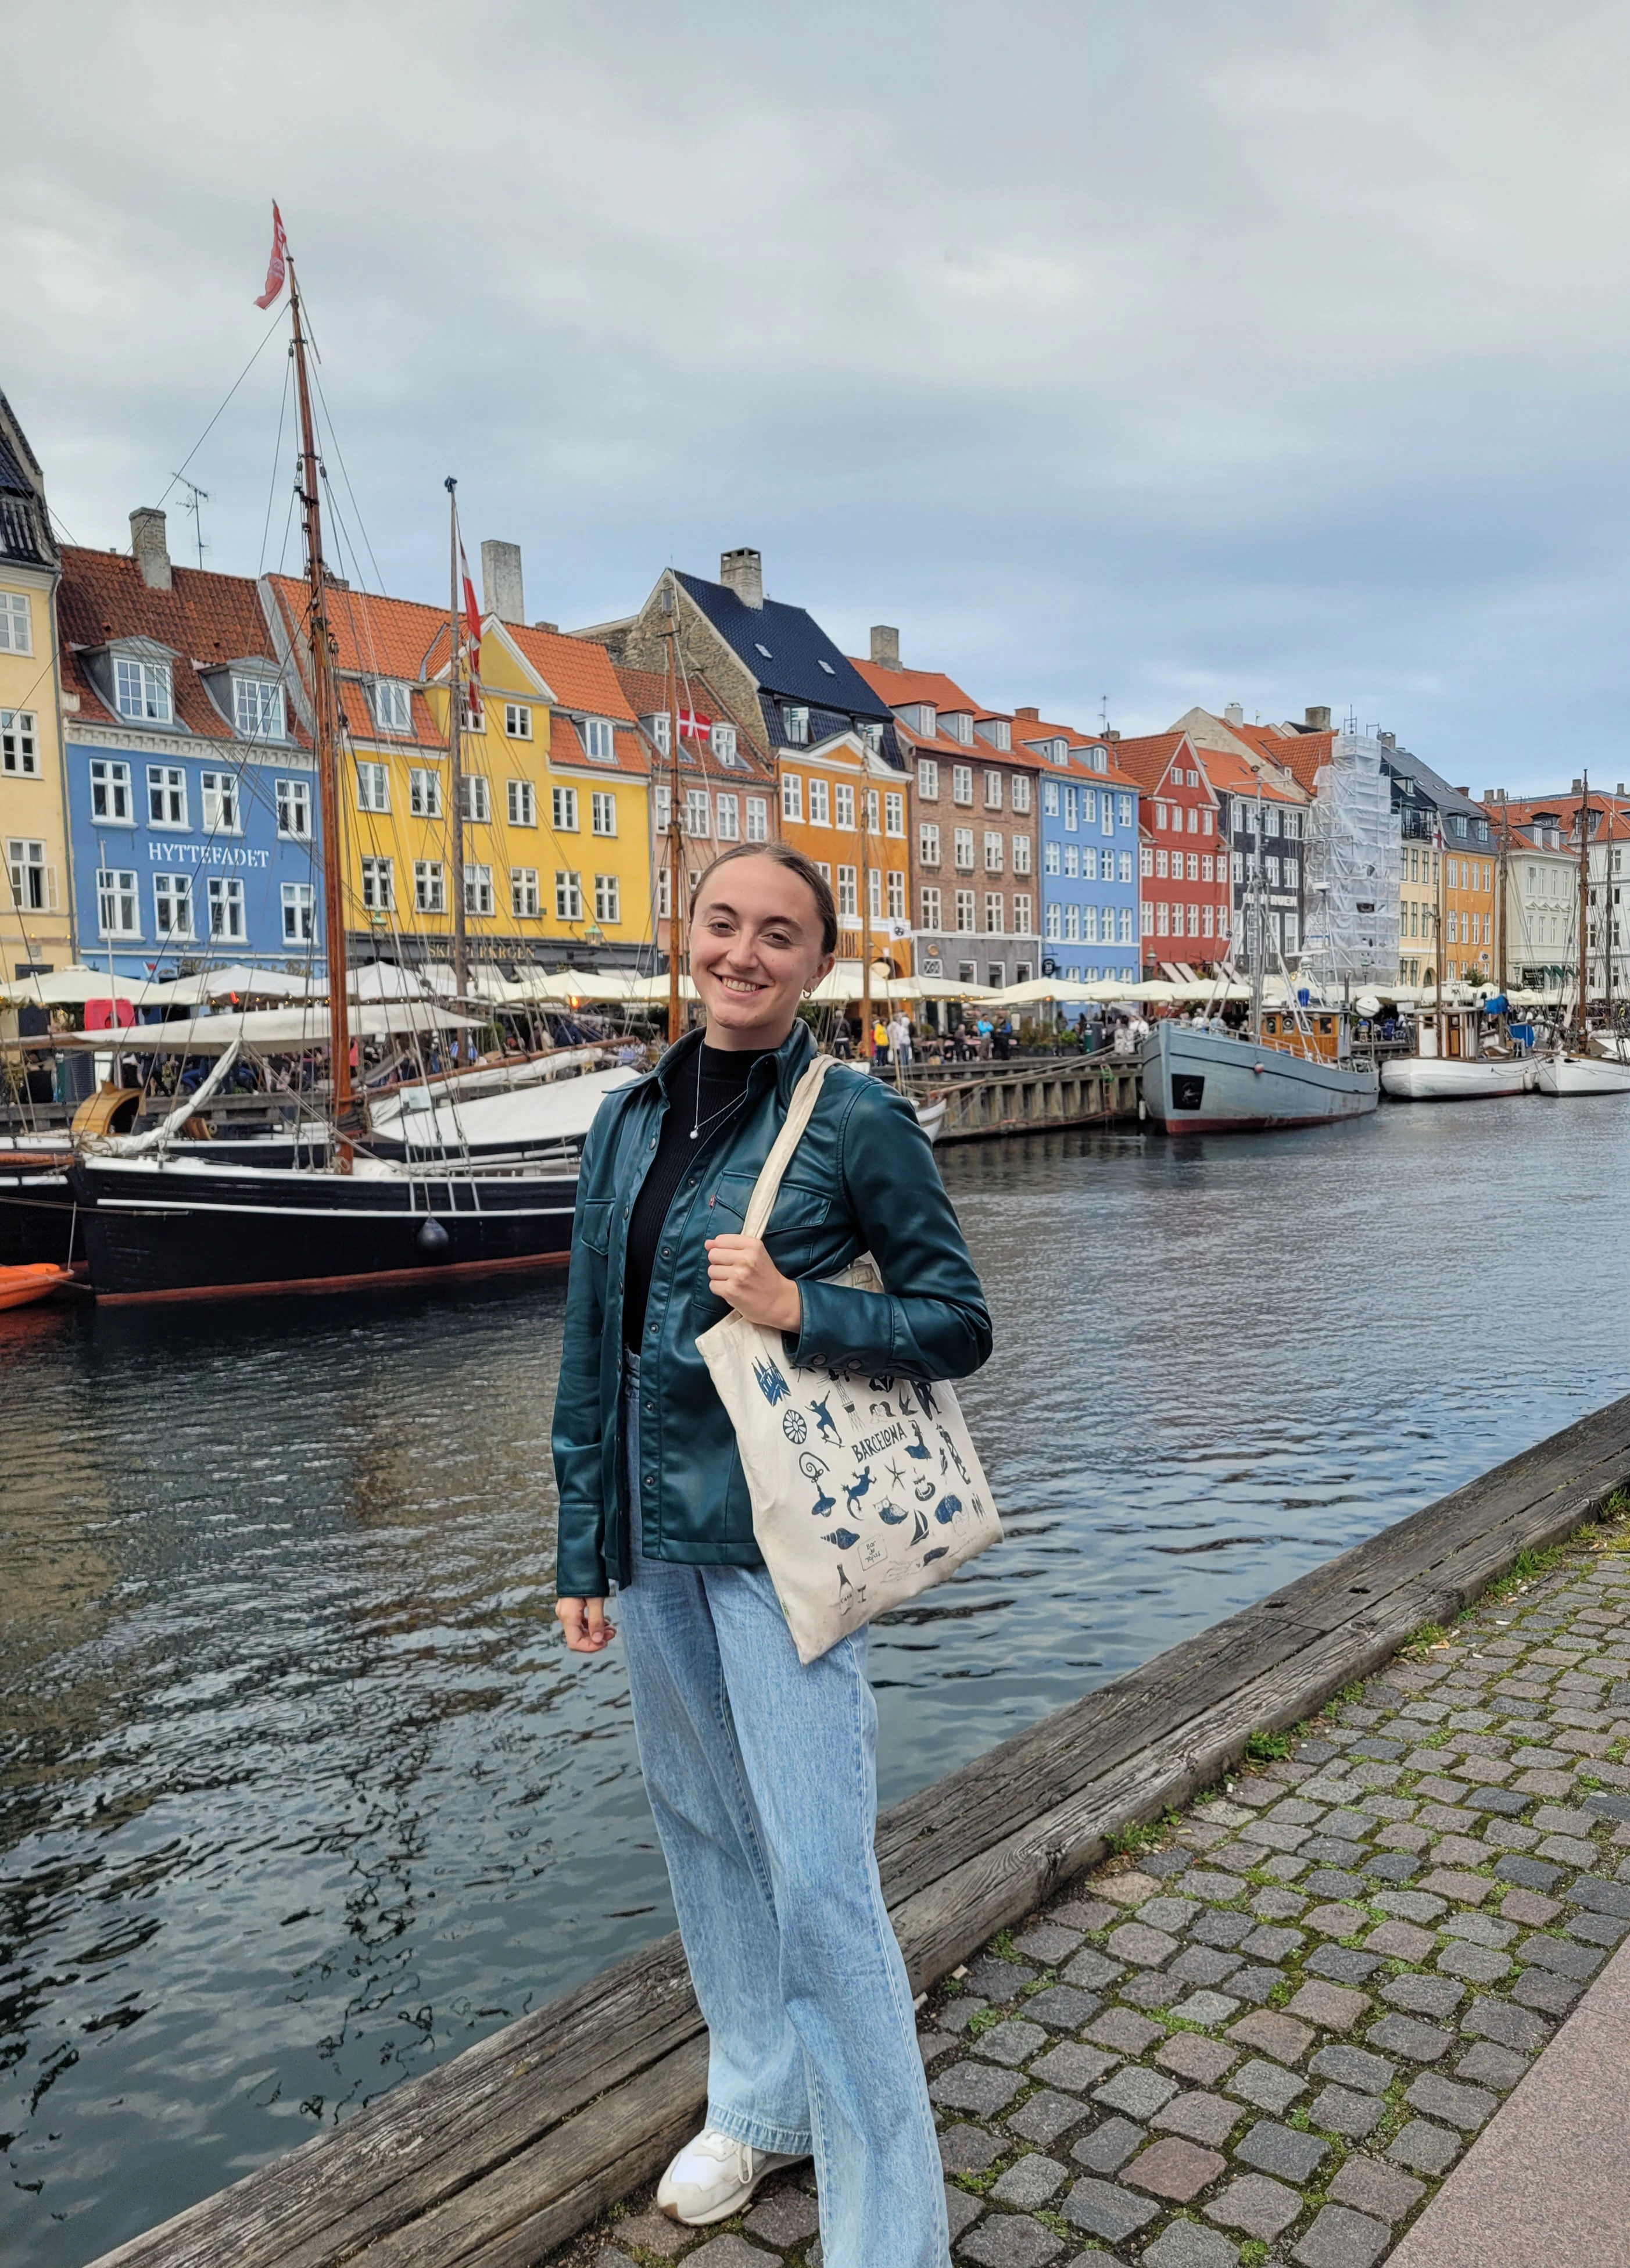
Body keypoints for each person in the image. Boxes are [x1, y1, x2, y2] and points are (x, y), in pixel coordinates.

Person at [552, 842, 991, 2265]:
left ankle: (891, 2232)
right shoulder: (626, 1114)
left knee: (815, 1871)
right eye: (722, 924)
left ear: (817, 962)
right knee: (698, 1828)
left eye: (777, 935)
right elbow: (588, 1343)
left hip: (778, 1533)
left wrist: (808, 1306)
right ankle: (759, 2100)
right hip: (648, 1530)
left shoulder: (852, 1116)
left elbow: (954, 1319)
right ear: (688, 934)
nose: (742, 953)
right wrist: (580, 1544)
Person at [886, 1007, 913, 1071]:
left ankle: (903, 1063)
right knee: (902, 1053)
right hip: (899, 1042)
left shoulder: (899, 1027)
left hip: (900, 1042)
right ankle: (902, 1063)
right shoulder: (897, 1026)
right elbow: (899, 1034)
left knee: (902, 1053)